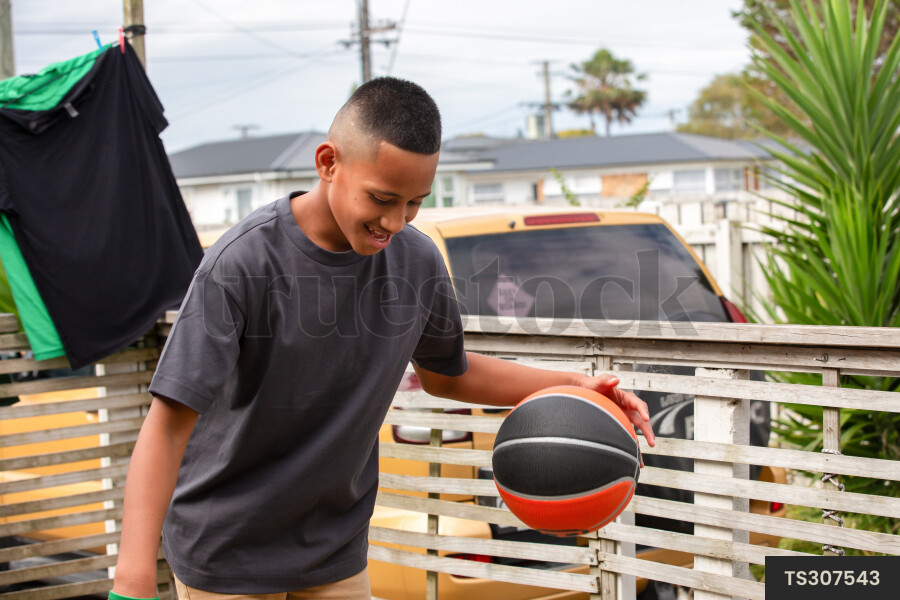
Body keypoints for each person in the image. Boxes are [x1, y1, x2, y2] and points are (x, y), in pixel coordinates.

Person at [110, 77, 656, 600]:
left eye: (415, 202)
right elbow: (167, 425)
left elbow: (451, 374)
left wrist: (580, 388)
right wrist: (133, 579)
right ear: (328, 164)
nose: (395, 222)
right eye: (382, 198)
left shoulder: (417, 261)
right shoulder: (243, 264)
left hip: (334, 551)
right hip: (227, 553)